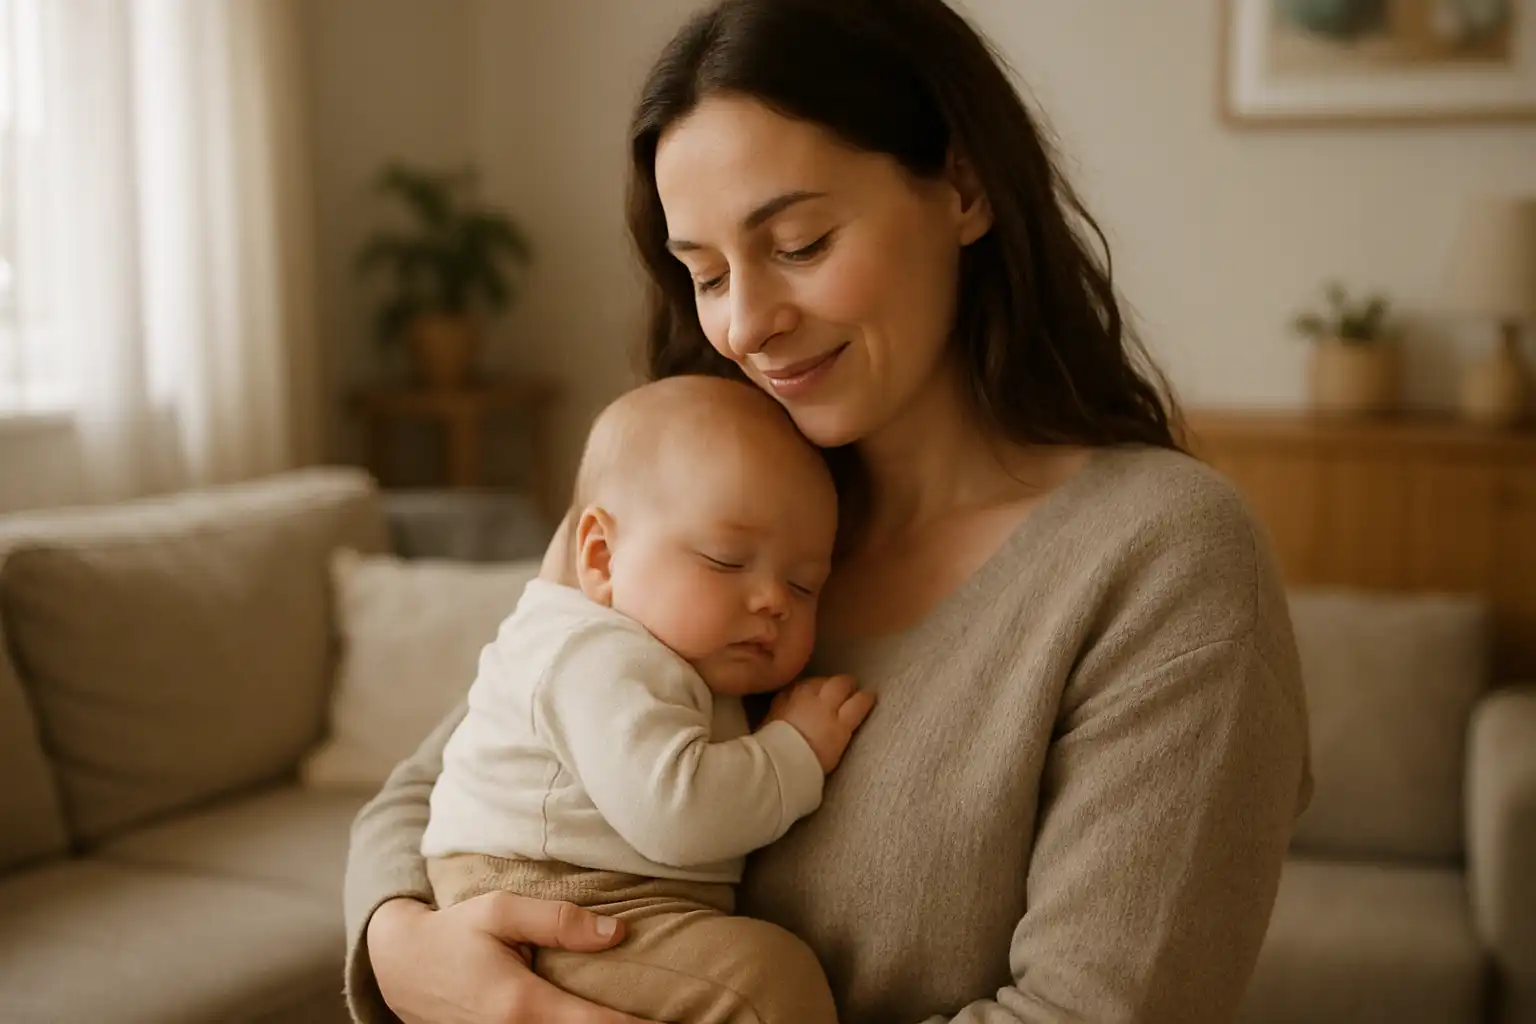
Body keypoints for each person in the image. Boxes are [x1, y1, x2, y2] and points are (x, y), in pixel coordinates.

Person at [343, 1, 1313, 1022]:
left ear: (965, 186)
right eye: (705, 273)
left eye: (799, 243)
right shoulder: (695, 508)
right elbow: (427, 785)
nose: (746, 324)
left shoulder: (1161, 560)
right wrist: (410, 949)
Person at [420, 375, 871, 1024]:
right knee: (765, 986)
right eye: (724, 560)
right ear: (601, 557)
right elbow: (678, 811)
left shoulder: (650, 644)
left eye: (804, 588)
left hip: (596, 894)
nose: (773, 600)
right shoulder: (594, 655)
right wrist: (793, 750)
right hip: (547, 899)